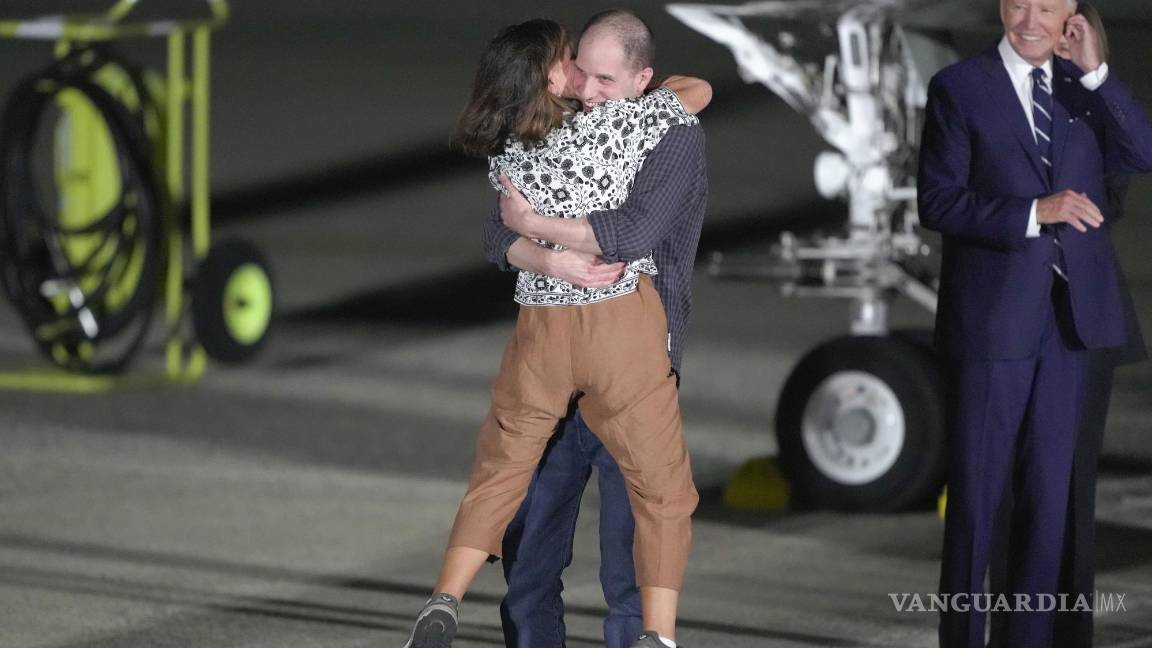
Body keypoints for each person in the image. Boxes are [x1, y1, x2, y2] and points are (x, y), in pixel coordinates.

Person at [402, 17, 711, 648]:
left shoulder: (517, 146)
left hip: (542, 347)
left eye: (602, 75)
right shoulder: (641, 125)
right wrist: (556, 253)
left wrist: (539, 237)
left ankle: (444, 598)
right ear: (549, 80)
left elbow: (499, 231)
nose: (588, 85)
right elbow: (632, 230)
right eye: (574, 66)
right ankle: (659, 637)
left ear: (639, 78)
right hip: (624, 342)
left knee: (502, 478)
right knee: (652, 509)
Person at [917, 0, 1152, 646]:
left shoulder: (1085, 91)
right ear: (1002, 7)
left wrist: (1099, 74)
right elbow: (938, 200)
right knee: (977, 503)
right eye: (1019, 2)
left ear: (1070, 14)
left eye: (1047, 5)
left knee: (1052, 504)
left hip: (1072, 329)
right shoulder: (959, 88)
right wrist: (1034, 211)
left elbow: (1141, 150)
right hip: (993, 326)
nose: (1030, 17)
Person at [987, 5, 1148, 647]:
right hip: (1009, 323)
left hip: (1080, 326)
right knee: (1005, 488)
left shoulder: (1089, 107)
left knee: (1067, 494)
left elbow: (1131, 162)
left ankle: (1064, 635)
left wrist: (1096, 74)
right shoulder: (994, 94)